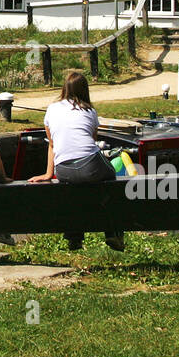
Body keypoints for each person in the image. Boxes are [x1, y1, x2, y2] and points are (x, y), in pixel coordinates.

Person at [29, 72, 124, 252]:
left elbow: (52, 144)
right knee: (112, 181)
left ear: (64, 88)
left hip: (63, 168)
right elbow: (91, 141)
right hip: (90, 163)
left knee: (72, 193)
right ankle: (113, 231)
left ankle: (74, 237)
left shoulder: (51, 109)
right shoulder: (90, 111)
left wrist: (49, 173)